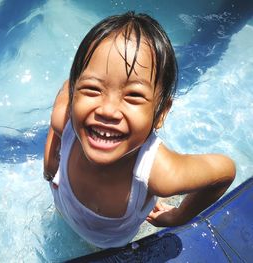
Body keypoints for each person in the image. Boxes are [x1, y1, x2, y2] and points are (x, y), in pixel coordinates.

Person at [43, 11, 235, 249]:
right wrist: (50, 159)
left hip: (107, 244)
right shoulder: (66, 120)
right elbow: (65, 90)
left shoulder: (159, 173)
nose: (108, 110)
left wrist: (178, 216)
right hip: (67, 211)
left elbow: (225, 172)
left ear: (161, 113)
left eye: (133, 95)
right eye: (92, 89)